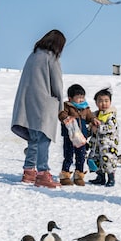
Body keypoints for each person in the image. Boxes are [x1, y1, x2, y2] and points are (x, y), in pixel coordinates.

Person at [11, 29, 66, 188]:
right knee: (43, 138)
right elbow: (57, 84)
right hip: (44, 104)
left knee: (33, 138)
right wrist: (60, 107)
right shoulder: (52, 58)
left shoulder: (33, 55)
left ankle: (29, 172)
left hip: (28, 103)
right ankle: (43, 173)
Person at [58, 84, 95, 186]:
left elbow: (90, 116)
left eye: (82, 97)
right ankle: (65, 175)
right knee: (68, 155)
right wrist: (66, 118)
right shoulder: (67, 106)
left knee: (81, 156)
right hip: (70, 136)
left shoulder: (85, 108)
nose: (81, 99)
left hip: (81, 137)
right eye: (78, 97)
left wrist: (93, 120)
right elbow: (61, 114)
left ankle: (79, 175)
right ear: (70, 98)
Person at [87, 87, 119, 187]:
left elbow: (111, 127)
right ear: (96, 103)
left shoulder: (111, 115)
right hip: (96, 144)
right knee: (95, 159)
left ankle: (111, 178)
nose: (103, 103)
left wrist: (99, 129)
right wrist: (90, 129)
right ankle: (100, 177)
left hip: (108, 145)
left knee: (108, 161)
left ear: (110, 102)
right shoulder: (95, 115)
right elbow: (91, 127)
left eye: (106, 101)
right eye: (100, 101)